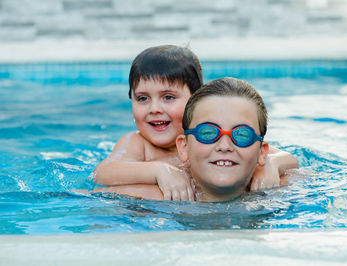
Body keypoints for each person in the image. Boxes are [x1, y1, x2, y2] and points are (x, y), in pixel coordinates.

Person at [93, 45, 298, 201]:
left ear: (195, 100)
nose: (154, 109)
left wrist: (271, 165)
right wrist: (159, 171)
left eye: (168, 97)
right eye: (142, 98)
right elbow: (103, 172)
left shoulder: (219, 137)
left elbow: (286, 157)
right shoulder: (138, 143)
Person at [96, 77, 271, 202]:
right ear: (183, 148)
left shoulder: (282, 190)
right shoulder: (141, 200)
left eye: (242, 135)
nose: (224, 146)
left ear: (262, 153)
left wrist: (273, 165)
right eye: (208, 133)